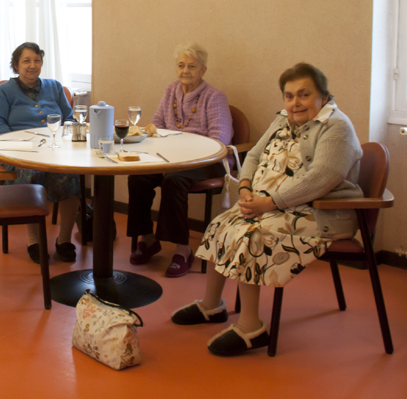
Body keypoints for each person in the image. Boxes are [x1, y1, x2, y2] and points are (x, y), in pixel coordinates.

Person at [171, 63, 363, 357]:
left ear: (323, 97)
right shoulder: (283, 120)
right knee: (220, 225)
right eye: (289, 96)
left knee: (252, 236)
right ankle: (212, 306)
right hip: (272, 204)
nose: (295, 103)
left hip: (320, 213)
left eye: (303, 95)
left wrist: (269, 203)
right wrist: (246, 187)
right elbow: (255, 154)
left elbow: (320, 178)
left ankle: (251, 327)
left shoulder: (337, 128)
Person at [127, 42, 234, 278]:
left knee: (173, 182)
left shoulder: (214, 97)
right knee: (138, 176)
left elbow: (220, 140)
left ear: (203, 70)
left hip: (207, 163)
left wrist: (187, 152)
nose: (185, 71)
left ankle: (183, 250)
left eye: (192, 66)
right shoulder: (170, 90)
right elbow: (157, 125)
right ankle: (148, 239)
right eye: (181, 65)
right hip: (170, 159)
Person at [0, 42, 79, 264]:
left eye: (37, 60)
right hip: (19, 153)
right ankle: (34, 240)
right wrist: (17, 144)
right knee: (32, 175)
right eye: (26, 61)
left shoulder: (55, 87)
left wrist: (67, 138)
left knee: (72, 175)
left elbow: (69, 118)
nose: (32, 65)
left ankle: (64, 240)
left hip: (55, 150)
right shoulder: (3, 91)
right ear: (16, 65)